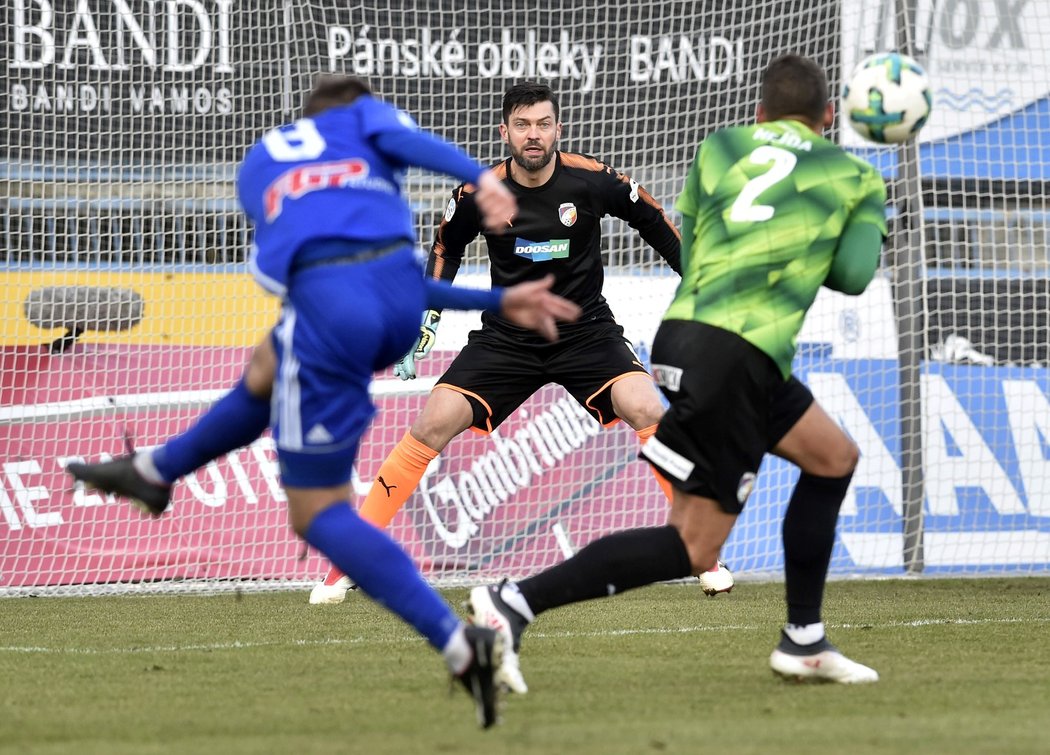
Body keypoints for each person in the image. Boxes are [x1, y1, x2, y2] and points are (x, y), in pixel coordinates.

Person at [67, 74, 582, 728]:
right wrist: (489, 231)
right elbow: (409, 150)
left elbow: (289, 270)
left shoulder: (265, 155)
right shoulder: (368, 126)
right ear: (358, 112)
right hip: (403, 296)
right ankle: (155, 472)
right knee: (268, 364)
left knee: (317, 513)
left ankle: (459, 642)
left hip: (337, 307)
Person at [465, 55, 887, 687]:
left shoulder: (722, 148)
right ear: (828, 118)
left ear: (760, 114)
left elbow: (697, 236)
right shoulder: (852, 174)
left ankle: (804, 637)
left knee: (832, 457)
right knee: (694, 545)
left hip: (689, 336)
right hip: (738, 354)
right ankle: (511, 604)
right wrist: (858, 219)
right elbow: (854, 277)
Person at [308, 81, 734, 680]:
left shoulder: (593, 180)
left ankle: (701, 553)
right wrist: (424, 324)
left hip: (585, 333)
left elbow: (657, 224)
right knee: (431, 421)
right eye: (523, 125)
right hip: (507, 338)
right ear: (505, 132)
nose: (534, 134)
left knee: (647, 408)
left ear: (558, 129)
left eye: (544, 123)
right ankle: (344, 565)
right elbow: (444, 248)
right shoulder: (477, 192)